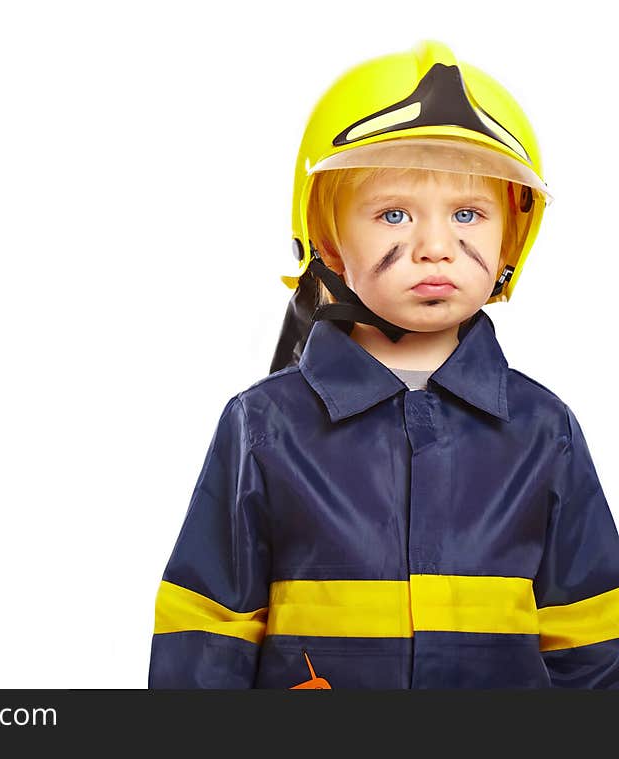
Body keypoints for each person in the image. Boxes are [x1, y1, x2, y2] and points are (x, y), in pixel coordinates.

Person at [147, 39, 619, 689]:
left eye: (468, 213)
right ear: (330, 241)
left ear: (512, 235)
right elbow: (204, 636)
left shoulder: (544, 429)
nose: (434, 247)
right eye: (393, 212)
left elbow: (594, 645)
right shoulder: (264, 425)